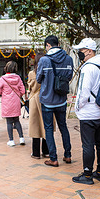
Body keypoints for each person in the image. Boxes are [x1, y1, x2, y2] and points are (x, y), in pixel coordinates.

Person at [71, 38, 100, 185]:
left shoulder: (88, 67)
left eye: (81, 50)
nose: (79, 53)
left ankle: (87, 175)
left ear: (89, 51)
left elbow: (83, 91)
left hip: (88, 112)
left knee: (87, 144)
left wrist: (77, 107)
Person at [36, 35, 73, 167]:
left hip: (47, 100)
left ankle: (53, 158)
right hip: (61, 99)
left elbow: (39, 79)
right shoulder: (68, 59)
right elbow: (69, 77)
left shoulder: (44, 60)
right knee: (63, 127)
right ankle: (67, 155)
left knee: (49, 129)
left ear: (48, 45)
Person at [0, 61, 26, 147]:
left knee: (9, 122)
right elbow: (23, 91)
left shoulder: (3, 79)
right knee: (17, 120)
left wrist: (3, 93)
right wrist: (18, 95)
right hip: (16, 102)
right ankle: (21, 138)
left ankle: (11, 140)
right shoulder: (18, 78)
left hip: (6, 102)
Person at [28, 54, 50, 159]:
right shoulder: (49, 72)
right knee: (46, 125)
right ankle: (46, 151)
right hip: (47, 99)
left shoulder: (32, 73)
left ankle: (36, 153)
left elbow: (31, 87)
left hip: (35, 100)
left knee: (35, 126)